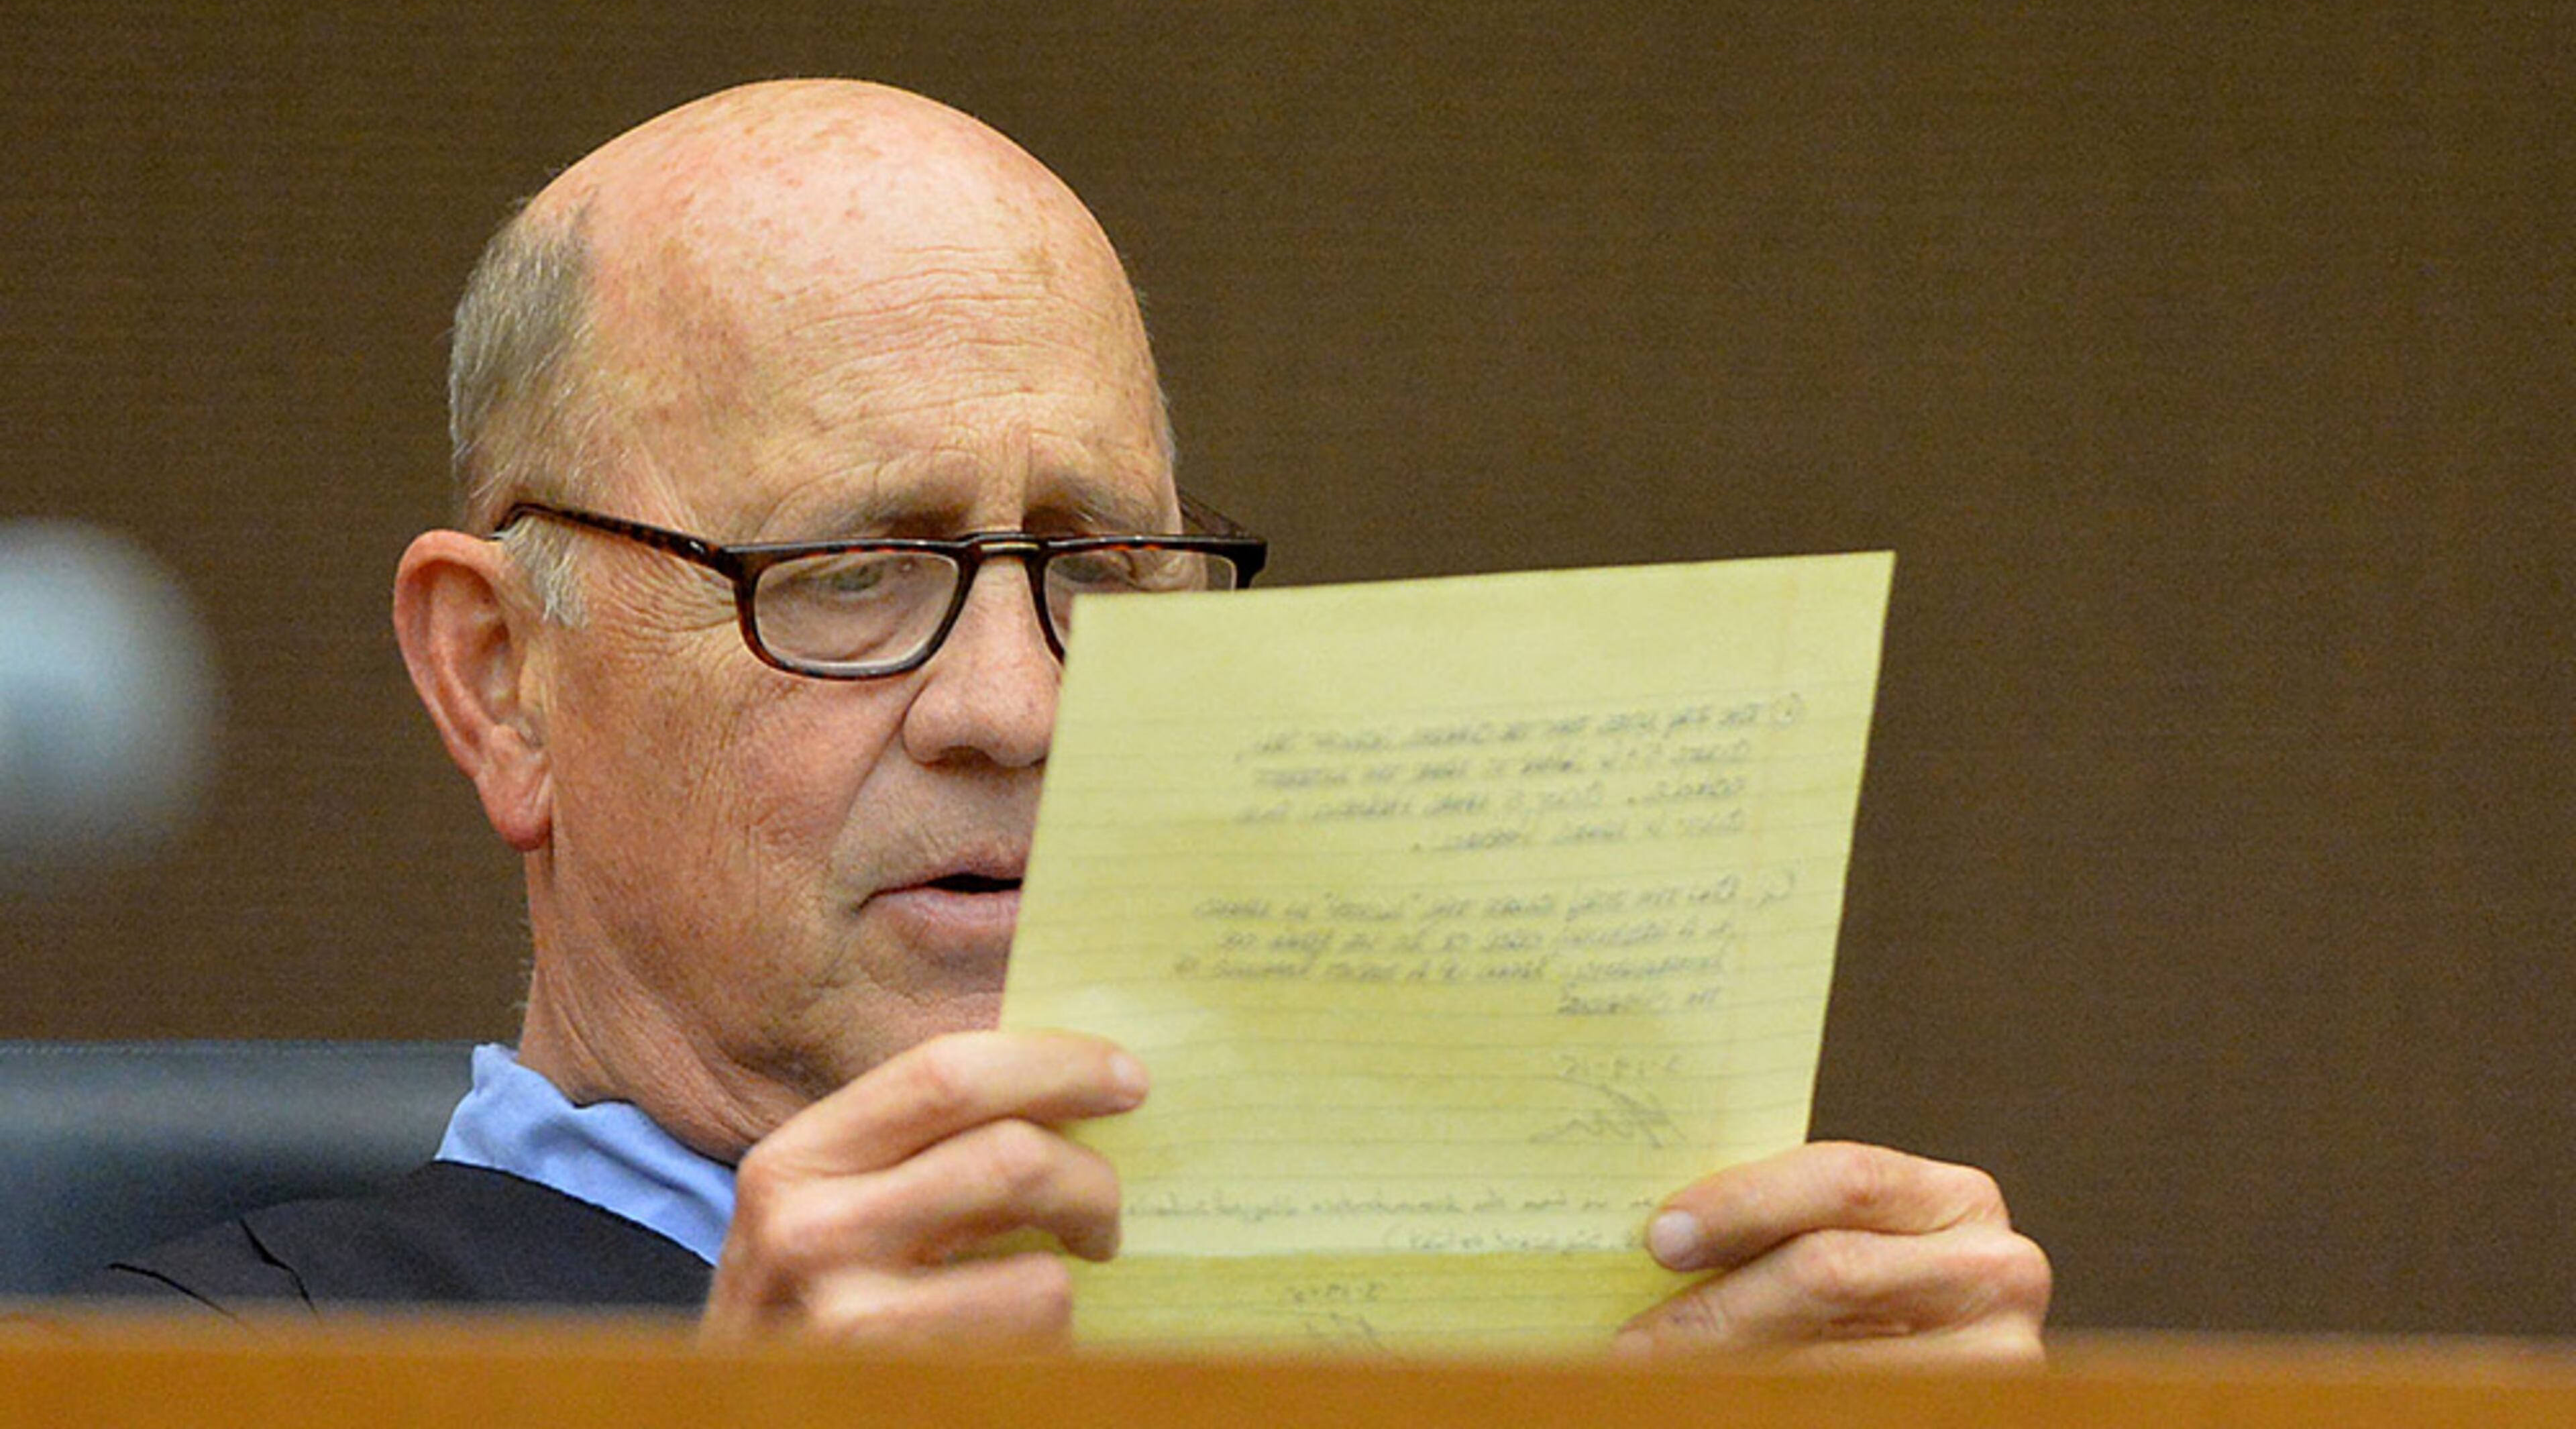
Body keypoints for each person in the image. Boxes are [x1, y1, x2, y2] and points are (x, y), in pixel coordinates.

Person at [93, 78, 2049, 1362]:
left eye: (1100, 569)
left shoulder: (1523, 1362)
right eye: (849, 571)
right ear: (499, 681)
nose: (1017, 705)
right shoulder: (188, 1371)